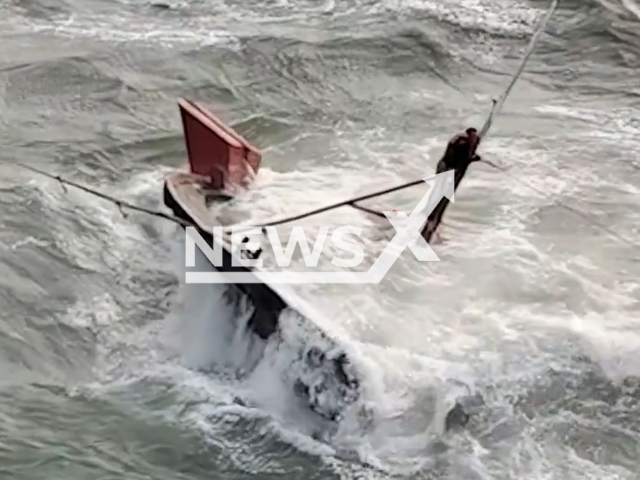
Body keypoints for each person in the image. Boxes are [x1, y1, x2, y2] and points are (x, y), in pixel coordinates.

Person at [421, 128, 481, 243]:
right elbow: (458, 159)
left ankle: (433, 220)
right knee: (439, 194)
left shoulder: (464, 141)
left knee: (441, 195)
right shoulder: (461, 143)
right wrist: (470, 159)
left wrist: (471, 157)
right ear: (469, 135)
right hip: (447, 168)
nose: (475, 139)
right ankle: (431, 219)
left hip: (449, 168)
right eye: (473, 137)